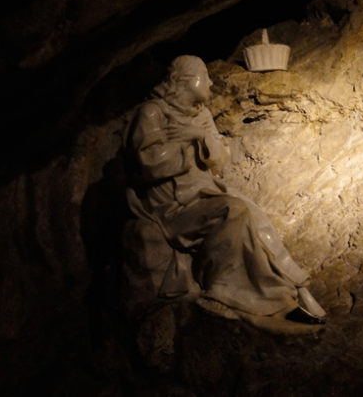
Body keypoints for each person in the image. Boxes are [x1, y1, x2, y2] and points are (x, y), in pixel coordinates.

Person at [124, 55, 326, 328]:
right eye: (203, 75)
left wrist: (202, 138)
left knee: (255, 215)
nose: (209, 82)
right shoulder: (153, 113)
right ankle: (229, 293)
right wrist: (191, 142)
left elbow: (217, 162)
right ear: (185, 79)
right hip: (172, 206)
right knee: (234, 210)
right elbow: (150, 164)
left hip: (204, 192)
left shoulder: (201, 115)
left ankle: (293, 286)